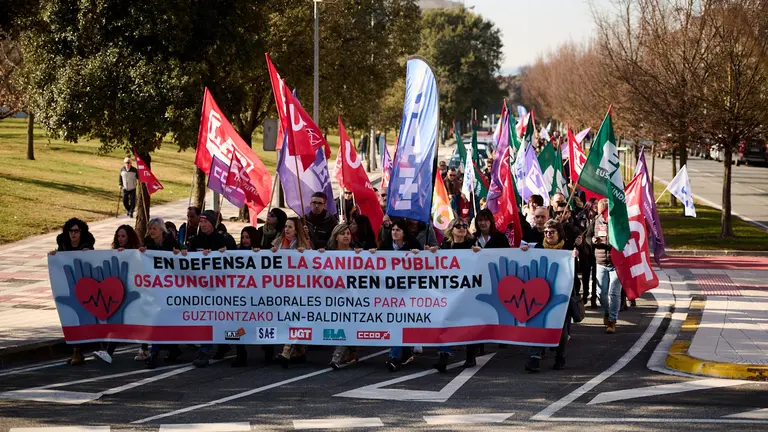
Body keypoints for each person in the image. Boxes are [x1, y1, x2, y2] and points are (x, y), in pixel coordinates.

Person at [524, 220, 579, 372]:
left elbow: (576, 271)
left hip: (561, 294)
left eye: (552, 232)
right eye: (546, 231)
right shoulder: (538, 247)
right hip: (540, 293)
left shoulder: (568, 249)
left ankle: (560, 357)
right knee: (537, 324)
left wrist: (576, 256)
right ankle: (534, 358)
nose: (548, 234)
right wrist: (525, 251)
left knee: (559, 327)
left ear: (559, 233)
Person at [433, 217, 481, 372]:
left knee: (467, 323)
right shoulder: (445, 245)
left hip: (468, 290)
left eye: (464, 226)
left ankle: (470, 356)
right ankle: (444, 357)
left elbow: (482, 262)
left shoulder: (472, 244)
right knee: (447, 321)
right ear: (451, 228)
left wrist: (479, 253)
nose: (461, 228)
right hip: (450, 291)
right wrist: (431, 253)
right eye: (458, 226)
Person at [91, 225, 143, 364]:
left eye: (123, 236)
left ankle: (144, 349)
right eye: (118, 236)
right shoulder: (115, 251)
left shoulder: (137, 252)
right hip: (120, 293)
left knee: (139, 321)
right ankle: (109, 352)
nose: (120, 239)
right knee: (119, 322)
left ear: (129, 237)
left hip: (134, 292)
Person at [184, 210, 229, 367]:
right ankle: (204, 352)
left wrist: (224, 254)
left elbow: (236, 261)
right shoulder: (196, 240)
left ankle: (229, 344)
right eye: (201, 221)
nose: (202, 224)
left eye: (205, 221)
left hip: (221, 288)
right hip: (203, 288)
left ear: (212, 223)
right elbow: (188, 261)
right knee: (207, 319)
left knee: (225, 322)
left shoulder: (223, 239)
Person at [377, 219, 422, 372]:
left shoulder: (413, 246)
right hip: (390, 293)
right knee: (397, 322)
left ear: (404, 233)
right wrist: (368, 253)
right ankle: (403, 353)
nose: (394, 232)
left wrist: (419, 255)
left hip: (409, 292)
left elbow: (424, 265)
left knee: (401, 321)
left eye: (398, 230)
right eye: (393, 229)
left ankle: (395, 356)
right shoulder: (385, 247)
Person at [50, 218, 96, 366]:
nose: (73, 234)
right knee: (69, 317)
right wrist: (54, 256)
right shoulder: (63, 246)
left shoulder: (87, 247)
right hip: (68, 288)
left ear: (81, 232)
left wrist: (89, 254)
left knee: (81, 318)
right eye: (71, 231)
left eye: (76, 231)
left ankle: (79, 350)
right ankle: (76, 350)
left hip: (85, 288)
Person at [139, 218, 182, 369]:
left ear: (161, 230)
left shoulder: (171, 242)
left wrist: (179, 253)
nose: (151, 231)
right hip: (154, 288)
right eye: (150, 228)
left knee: (165, 319)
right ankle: (156, 352)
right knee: (157, 318)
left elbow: (184, 258)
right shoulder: (147, 243)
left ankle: (167, 349)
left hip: (171, 288)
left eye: (154, 229)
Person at [229, 226, 274, 368]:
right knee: (239, 326)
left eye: (248, 237)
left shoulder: (261, 251)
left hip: (258, 298)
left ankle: (268, 348)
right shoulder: (236, 252)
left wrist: (264, 253)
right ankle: (240, 353)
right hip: (241, 298)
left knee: (259, 325)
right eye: (243, 237)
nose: (244, 240)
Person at [273, 217, 312, 367]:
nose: (287, 230)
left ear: (296, 230)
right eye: (285, 226)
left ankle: (286, 351)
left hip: (299, 289)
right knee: (288, 318)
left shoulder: (304, 244)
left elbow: (313, 263)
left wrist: (306, 252)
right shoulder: (278, 243)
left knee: (293, 316)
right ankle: (300, 352)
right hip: (282, 288)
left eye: (290, 227)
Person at [323, 224, 362, 369]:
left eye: (348, 233)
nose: (346, 236)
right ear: (336, 236)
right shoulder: (328, 254)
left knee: (345, 323)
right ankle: (351, 352)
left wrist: (367, 254)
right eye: (343, 233)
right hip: (333, 298)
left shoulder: (357, 253)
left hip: (352, 298)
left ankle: (337, 356)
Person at [586, 199, 622, 334]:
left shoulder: (617, 222)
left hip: (616, 263)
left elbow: (625, 238)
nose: (604, 215)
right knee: (601, 293)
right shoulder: (596, 221)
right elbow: (588, 237)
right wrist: (593, 241)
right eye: (602, 212)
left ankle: (612, 320)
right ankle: (607, 312)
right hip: (600, 262)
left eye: (607, 212)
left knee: (614, 293)